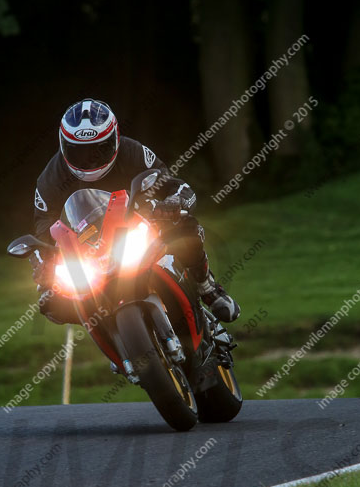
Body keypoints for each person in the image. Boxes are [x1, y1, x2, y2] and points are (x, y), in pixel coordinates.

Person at [30, 98, 240, 325]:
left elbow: (169, 182)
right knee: (51, 303)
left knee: (186, 226)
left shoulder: (132, 151)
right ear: (64, 146)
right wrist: (44, 261)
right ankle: (106, 329)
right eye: (79, 152)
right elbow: (43, 223)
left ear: (115, 139)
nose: (90, 159)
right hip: (88, 247)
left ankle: (206, 287)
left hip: (137, 225)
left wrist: (173, 202)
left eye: (99, 150)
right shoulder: (50, 177)